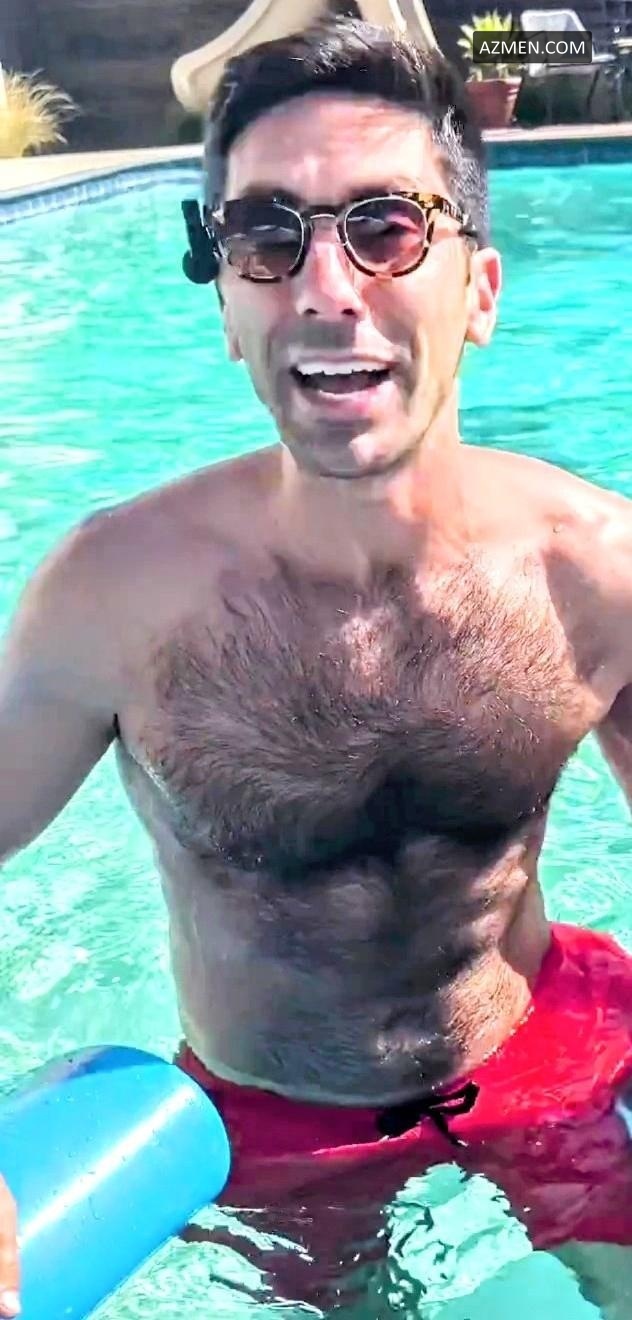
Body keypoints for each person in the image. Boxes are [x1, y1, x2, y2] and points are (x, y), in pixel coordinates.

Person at [1, 15, 632, 1317]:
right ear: (227, 308)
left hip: (547, 1045)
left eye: (386, 228)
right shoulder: (116, 595)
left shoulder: (594, 572)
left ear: (481, 291)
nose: (325, 289)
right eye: (266, 237)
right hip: (267, 1117)